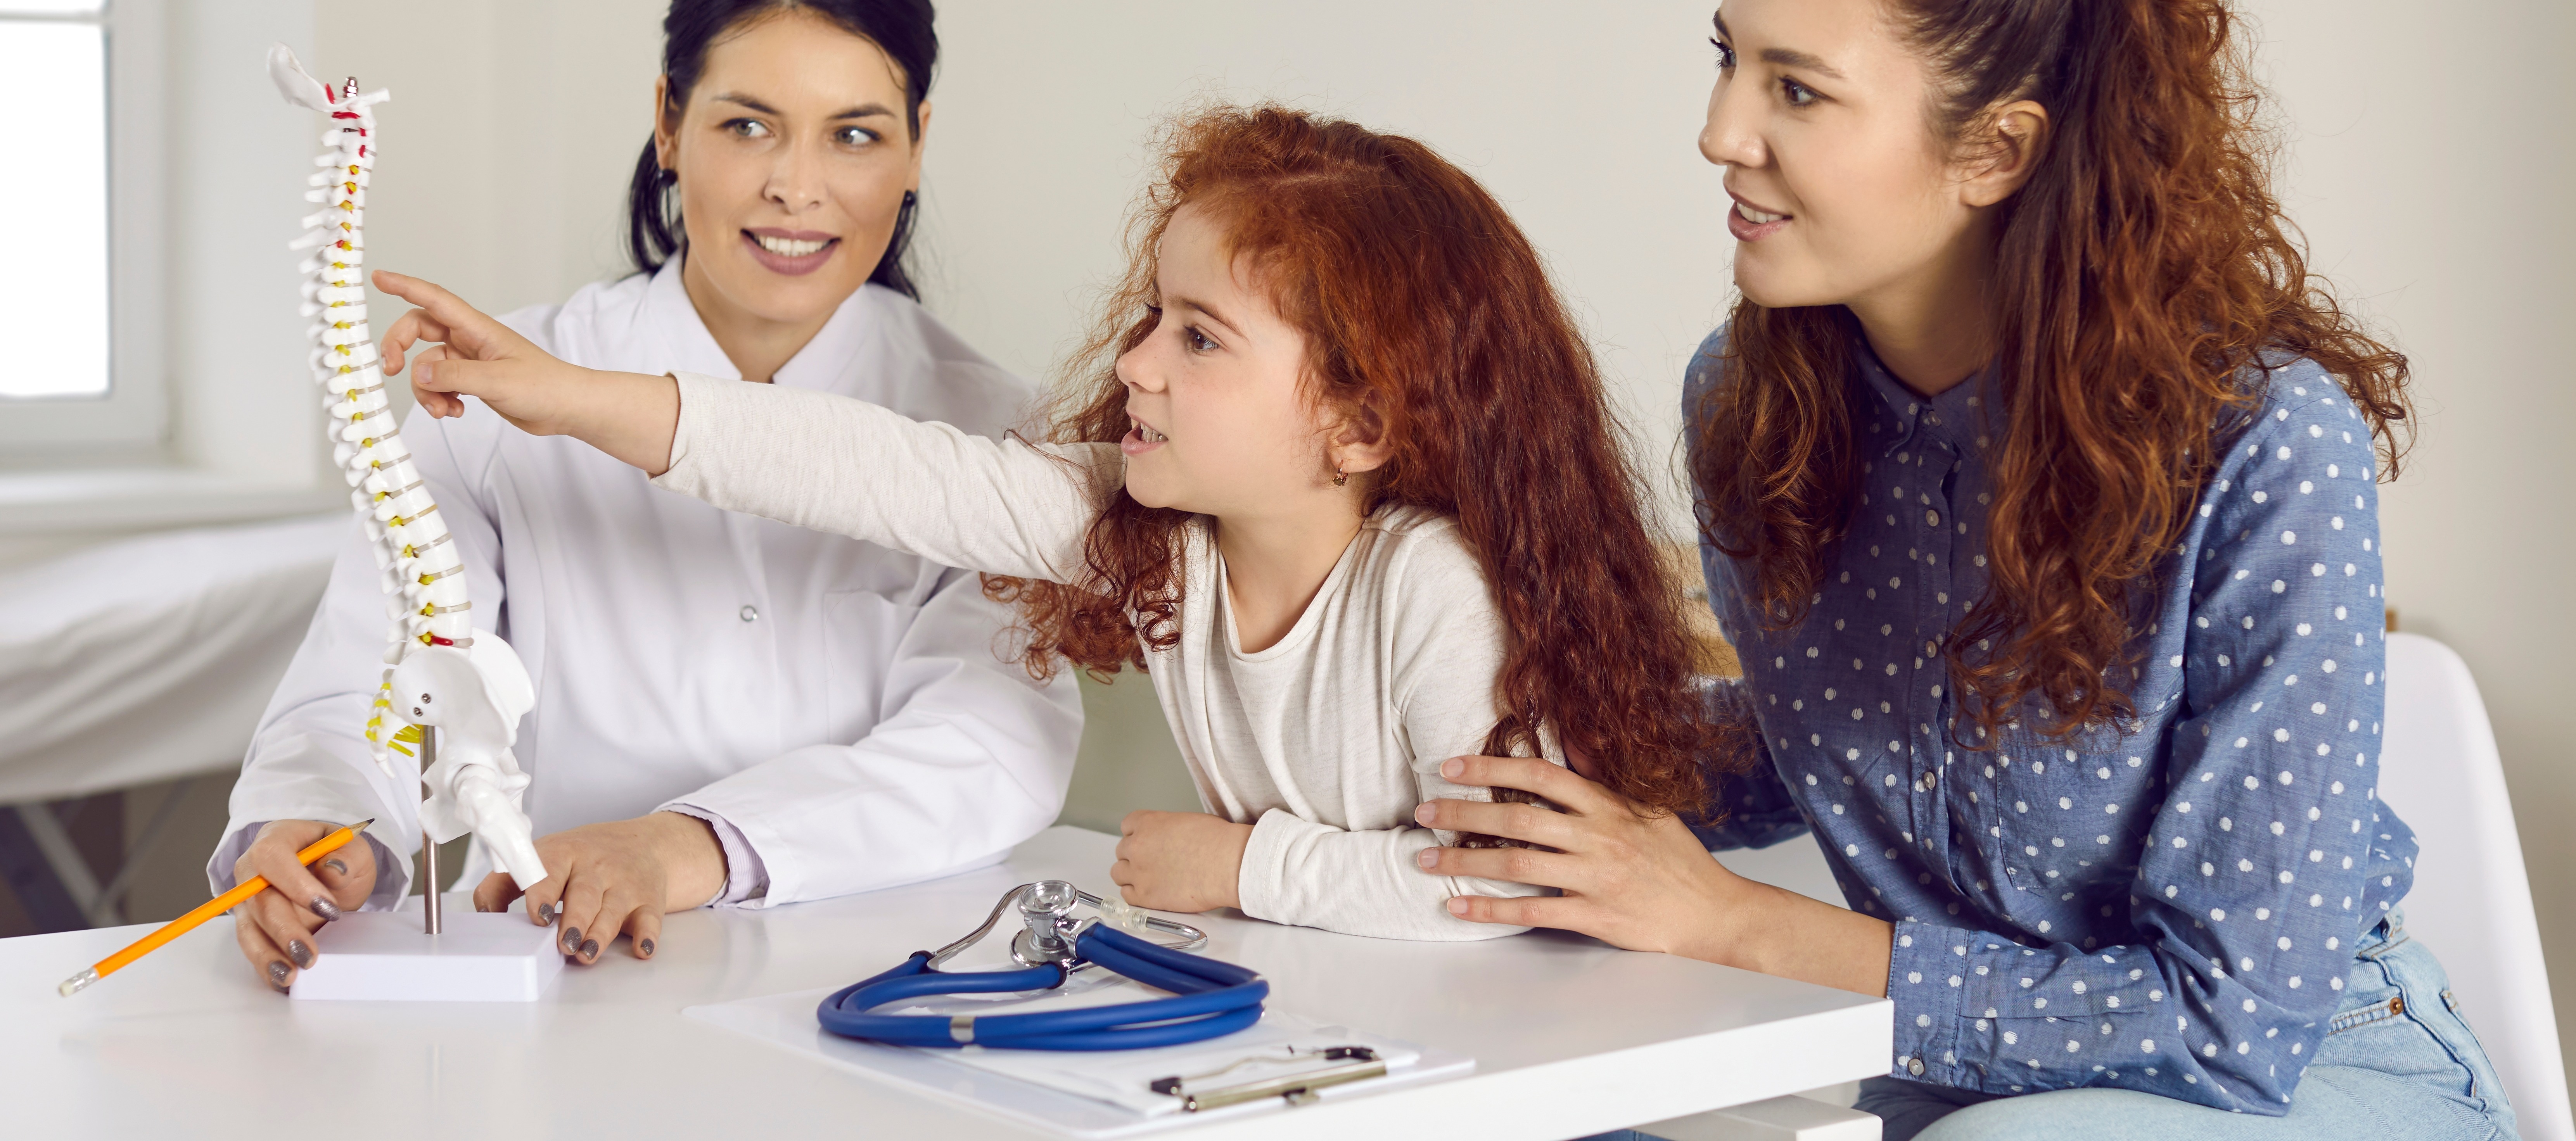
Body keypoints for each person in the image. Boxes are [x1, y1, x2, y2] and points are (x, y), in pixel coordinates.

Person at [1411, 0, 2519, 1139]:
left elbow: (2229, 1029)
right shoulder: (1748, 404)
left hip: (2312, 1079)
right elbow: (1823, 739)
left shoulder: (2262, 446)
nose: (1719, 132)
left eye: (1797, 90)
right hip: (1955, 1096)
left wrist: (1736, 926)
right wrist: (1485, 738)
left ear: (1995, 148)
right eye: (1727, 59)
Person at [371, 105, 1715, 942]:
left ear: (1359, 428)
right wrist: (562, 396)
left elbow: (1492, 892)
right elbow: (866, 468)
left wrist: (1248, 865)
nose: (1136, 365)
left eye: (1200, 340)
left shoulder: (1430, 590)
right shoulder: (1158, 534)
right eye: (1151, 321)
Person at [214, 0, 1082, 991]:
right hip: (565, 967)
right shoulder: (499, 390)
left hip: (889, 970)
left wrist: (688, 846)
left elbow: (991, 745)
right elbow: (378, 676)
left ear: (915, 148)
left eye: (854, 135)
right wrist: (324, 821)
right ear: (668, 124)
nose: (797, 189)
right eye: (749, 126)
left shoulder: (991, 431)